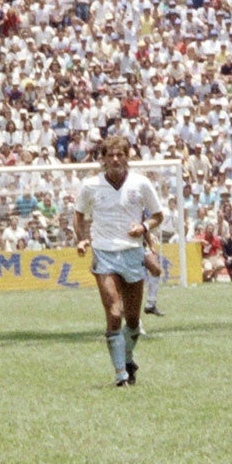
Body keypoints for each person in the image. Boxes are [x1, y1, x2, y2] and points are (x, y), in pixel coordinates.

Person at [73, 135, 163, 388]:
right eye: (110, 155)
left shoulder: (141, 183)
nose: (115, 159)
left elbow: (158, 215)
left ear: (127, 156)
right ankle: (121, 374)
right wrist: (81, 239)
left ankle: (127, 357)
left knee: (132, 319)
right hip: (103, 253)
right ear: (102, 158)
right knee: (114, 313)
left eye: (120, 154)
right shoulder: (91, 185)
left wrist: (144, 226)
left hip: (133, 252)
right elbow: (78, 214)